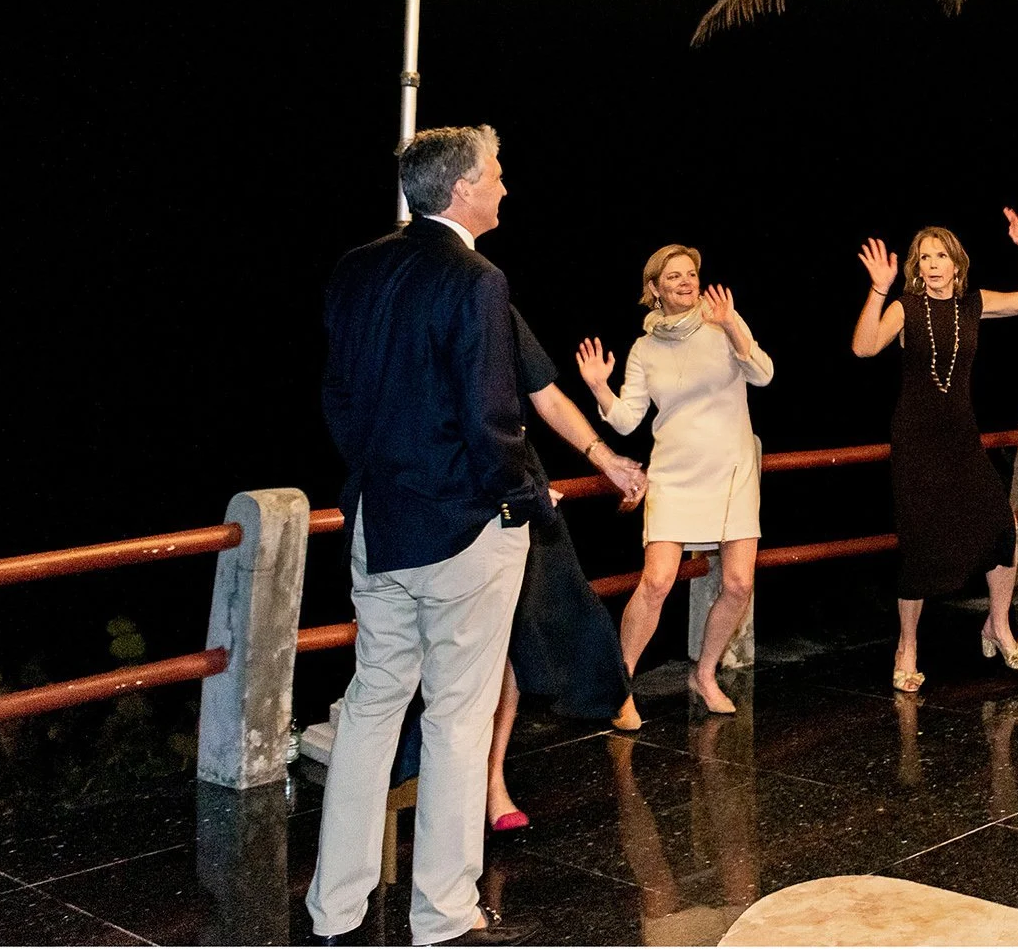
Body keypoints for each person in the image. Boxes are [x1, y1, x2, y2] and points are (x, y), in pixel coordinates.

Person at [308, 124, 539, 947]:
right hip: (458, 530)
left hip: (378, 520)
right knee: (456, 718)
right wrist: (520, 499)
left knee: (371, 706)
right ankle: (441, 914)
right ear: (462, 187)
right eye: (497, 173)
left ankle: (333, 908)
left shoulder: (357, 266)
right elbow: (490, 417)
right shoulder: (476, 279)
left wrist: (379, 475)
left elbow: (339, 398)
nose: (505, 186)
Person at [851, 211, 1018, 691]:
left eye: (941, 255)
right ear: (917, 268)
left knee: (1001, 527)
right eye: (925, 258)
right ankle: (907, 646)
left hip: (961, 436)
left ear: (957, 264)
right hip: (916, 439)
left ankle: (998, 626)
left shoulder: (974, 304)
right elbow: (863, 348)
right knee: (920, 543)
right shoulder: (904, 306)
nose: (933, 264)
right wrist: (879, 289)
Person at [579, 245, 773, 724]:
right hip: (674, 474)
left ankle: (704, 674)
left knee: (738, 582)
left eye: (691, 273)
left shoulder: (724, 322)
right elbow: (627, 420)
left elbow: (764, 375)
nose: (686, 281)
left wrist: (731, 326)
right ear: (654, 289)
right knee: (658, 580)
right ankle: (621, 685)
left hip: (732, 471)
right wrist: (600, 387)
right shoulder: (644, 349)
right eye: (674, 276)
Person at [486, 307, 647, 833]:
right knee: (461, 644)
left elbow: (545, 394)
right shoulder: (402, 300)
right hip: (452, 484)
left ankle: (491, 781)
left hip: (514, 476)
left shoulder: (493, 297)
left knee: (514, 633)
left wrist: (606, 458)